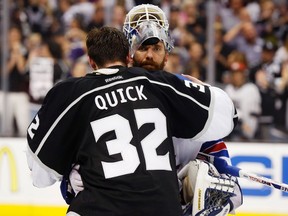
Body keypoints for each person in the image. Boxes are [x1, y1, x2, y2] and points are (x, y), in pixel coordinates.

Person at [27, 26, 237, 216]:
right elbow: (228, 115)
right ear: (128, 57)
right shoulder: (160, 83)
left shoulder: (71, 93)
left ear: (91, 62)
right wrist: (203, 90)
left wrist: (72, 167)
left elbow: (39, 175)